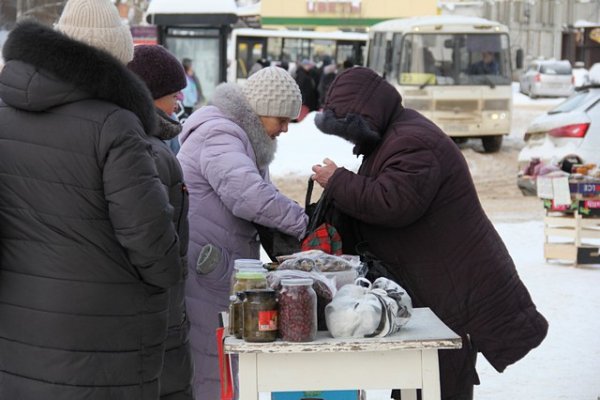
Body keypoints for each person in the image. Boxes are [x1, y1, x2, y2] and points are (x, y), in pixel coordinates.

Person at [310, 67, 548, 400]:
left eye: (348, 129)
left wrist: (338, 181)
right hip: (440, 288)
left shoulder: (413, 142)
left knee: (440, 381)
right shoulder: (395, 135)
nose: (349, 139)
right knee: (423, 381)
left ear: (364, 117)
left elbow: (393, 203)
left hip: (457, 292)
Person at [0, 0, 182, 398]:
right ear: (117, 60)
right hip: (104, 339)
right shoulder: (114, 124)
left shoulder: (3, 111)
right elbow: (151, 240)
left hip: (16, 331)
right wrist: (170, 272)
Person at [177, 66, 308, 399]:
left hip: (220, 268)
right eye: (281, 119)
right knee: (212, 363)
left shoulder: (242, 138)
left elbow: (264, 193)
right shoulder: (219, 133)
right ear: (260, 110)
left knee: (224, 362)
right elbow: (249, 196)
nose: (284, 129)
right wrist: (303, 222)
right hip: (206, 269)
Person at [127, 44, 194, 400]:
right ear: (149, 96)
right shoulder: (147, 148)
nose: (178, 101)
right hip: (154, 304)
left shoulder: (161, 138)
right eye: (172, 94)